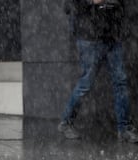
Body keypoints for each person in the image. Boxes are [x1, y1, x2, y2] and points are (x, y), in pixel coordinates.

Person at [58, 0, 138, 142]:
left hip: (113, 36)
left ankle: (124, 129)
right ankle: (66, 122)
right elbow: (68, 7)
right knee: (86, 84)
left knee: (120, 82)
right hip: (89, 37)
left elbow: (125, 6)